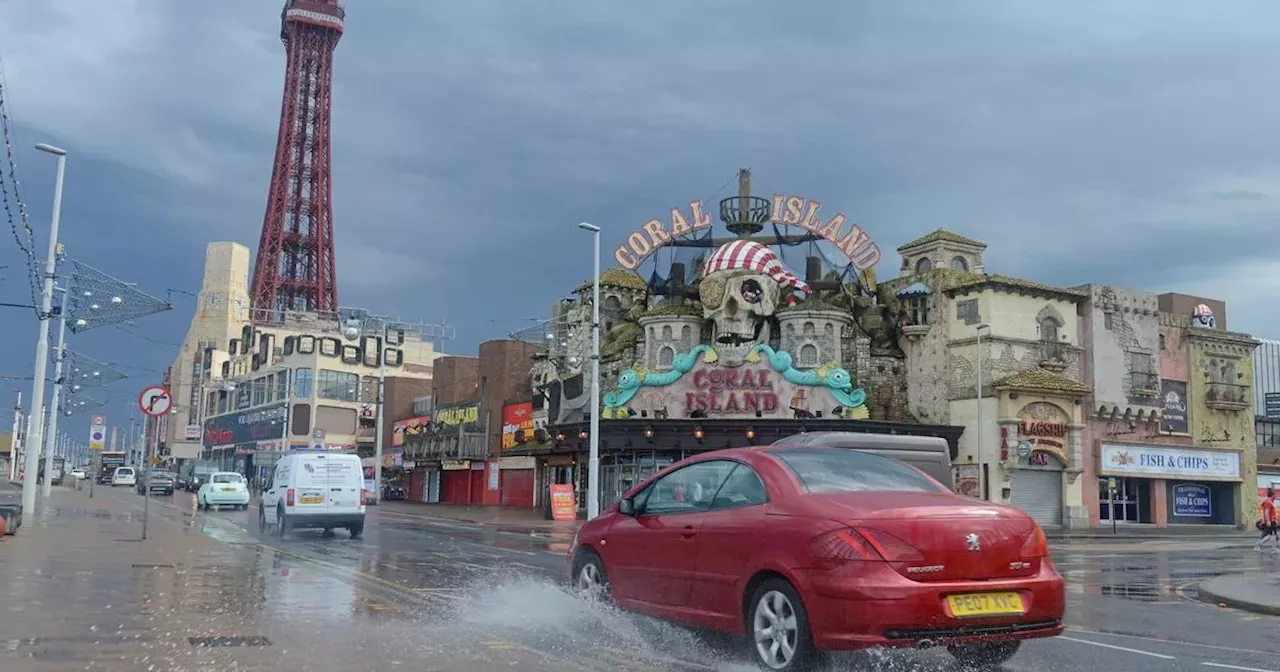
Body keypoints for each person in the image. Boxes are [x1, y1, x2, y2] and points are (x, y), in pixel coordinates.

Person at [1256, 487, 1279, 553]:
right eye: (1275, 494)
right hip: (1271, 521)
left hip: (1272, 521)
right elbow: (1266, 512)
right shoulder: (1268, 502)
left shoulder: (1270, 501)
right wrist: (1268, 521)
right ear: (1272, 495)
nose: (1276, 496)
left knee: (1270, 535)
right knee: (1273, 535)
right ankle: (1273, 549)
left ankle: (1260, 544)